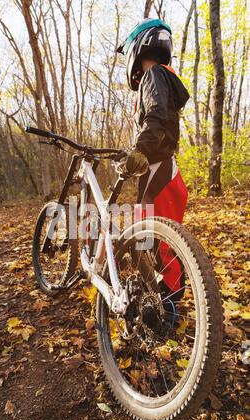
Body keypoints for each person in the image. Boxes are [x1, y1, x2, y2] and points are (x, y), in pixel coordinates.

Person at [116, 18, 190, 311]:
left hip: (159, 170)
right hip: (160, 172)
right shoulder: (162, 77)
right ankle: (159, 299)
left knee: (156, 242)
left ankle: (167, 310)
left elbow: (157, 117)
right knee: (144, 240)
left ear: (138, 47)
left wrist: (139, 151)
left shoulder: (154, 75)